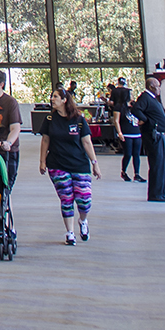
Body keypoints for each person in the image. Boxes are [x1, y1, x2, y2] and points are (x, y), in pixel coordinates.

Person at [39, 86, 100, 245]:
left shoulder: (79, 119)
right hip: (57, 164)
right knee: (66, 198)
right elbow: (45, 140)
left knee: (84, 200)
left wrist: (95, 163)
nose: (52, 100)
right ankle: (70, 232)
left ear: (64, 100)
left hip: (79, 164)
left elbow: (86, 142)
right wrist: (42, 161)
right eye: (52, 97)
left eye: (55, 97)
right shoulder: (50, 120)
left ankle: (83, 221)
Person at [136, 77, 165, 201]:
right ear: (151, 87)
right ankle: (155, 194)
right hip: (153, 135)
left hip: (160, 135)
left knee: (164, 164)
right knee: (157, 164)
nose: (159, 89)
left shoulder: (152, 99)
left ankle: (162, 192)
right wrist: (147, 120)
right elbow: (136, 109)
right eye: (158, 86)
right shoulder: (145, 98)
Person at [118, 95, 143, 181]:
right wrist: (119, 133)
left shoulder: (136, 106)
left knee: (136, 154)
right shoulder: (122, 107)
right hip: (127, 133)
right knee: (128, 154)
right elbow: (117, 120)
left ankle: (137, 174)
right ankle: (123, 171)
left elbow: (142, 116)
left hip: (137, 133)